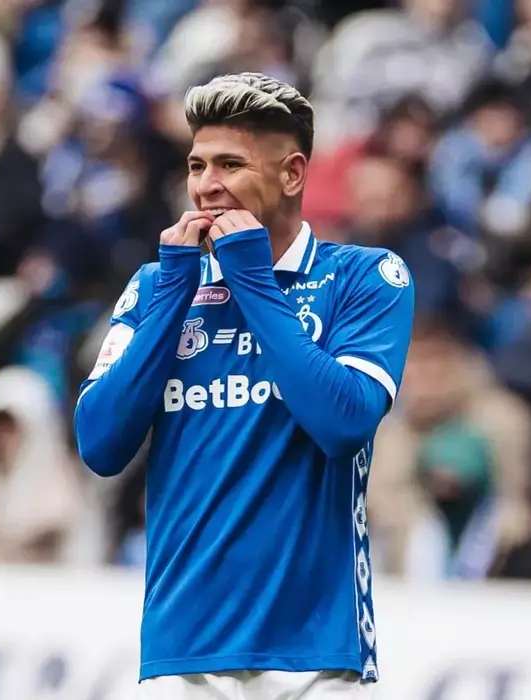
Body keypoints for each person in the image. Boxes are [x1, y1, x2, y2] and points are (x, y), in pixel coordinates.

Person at [74, 72, 415, 699]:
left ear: (292, 174)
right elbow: (99, 444)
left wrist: (251, 279)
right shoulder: (156, 286)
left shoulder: (365, 277)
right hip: (182, 654)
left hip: (314, 656)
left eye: (230, 164)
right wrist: (174, 293)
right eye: (196, 165)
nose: (206, 185)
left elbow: (343, 424)